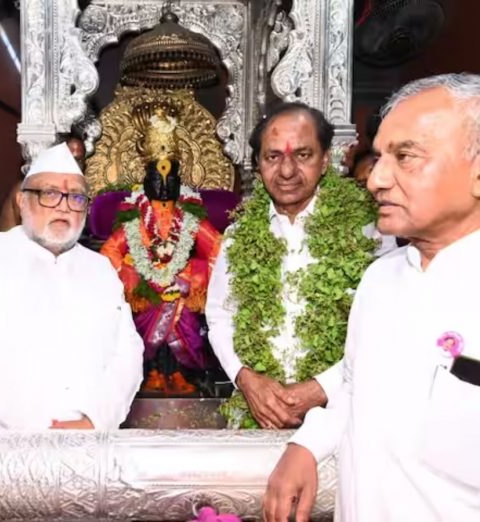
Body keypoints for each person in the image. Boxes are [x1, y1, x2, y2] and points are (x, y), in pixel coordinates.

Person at [263, 73, 480, 522]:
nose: (376, 179)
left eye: (406, 157)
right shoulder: (380, 280)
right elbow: (357, 385)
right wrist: (307, 444)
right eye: (380, 157)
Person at [206, 102, 396, 429]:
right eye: (273, 156)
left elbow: (388, 325)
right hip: (258, 417)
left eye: (303, 155)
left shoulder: (370, 231)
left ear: (324, 161)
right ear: (257, 164)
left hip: (347, 418)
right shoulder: (238, 236)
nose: (287, 171)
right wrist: (246, 378)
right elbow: (220, 316)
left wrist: (321, 388)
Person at [0, 142, 144, 430]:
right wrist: (44, 426)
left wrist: (94, 420)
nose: (64, 207)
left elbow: (126, 354)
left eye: (76, 198)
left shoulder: (100, 269)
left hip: (86, 444)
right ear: (21, 202)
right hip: (2, 446)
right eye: (50, 194)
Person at [100, 105, 221, 396]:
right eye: (157, 174)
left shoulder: (191, 216)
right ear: (145, 177)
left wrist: (191, 278)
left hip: (180, 294)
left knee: (180, 314)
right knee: (152, 310)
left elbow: (218, 249)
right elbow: (109, 252)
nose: (164, 182)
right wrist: (137, 280)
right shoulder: (134, 217)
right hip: (147, 294)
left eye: (171, 174)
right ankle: (150, 373)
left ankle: (182, 375)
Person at [0, 135, 85, 232]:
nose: (74, 164)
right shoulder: (29, 187)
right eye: (70, 157)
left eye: (79, 159)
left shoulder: (70, 189)